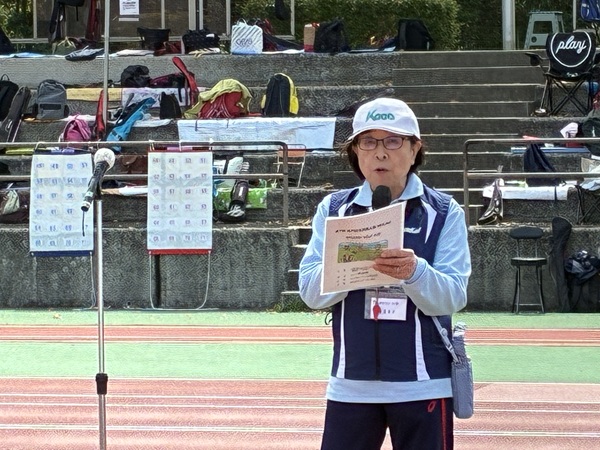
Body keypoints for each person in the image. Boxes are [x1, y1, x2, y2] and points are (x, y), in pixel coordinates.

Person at [299, 97, 471, 450]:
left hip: (423, 384)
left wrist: (415, 271)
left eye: (393, 141)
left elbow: (454, 295)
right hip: (350, 385)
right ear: (355, 151)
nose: (380, 153)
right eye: (368, 141)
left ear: (414, 149)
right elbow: (310, 293)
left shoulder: (444, 211)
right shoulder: (334, 209)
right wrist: (349, 264)